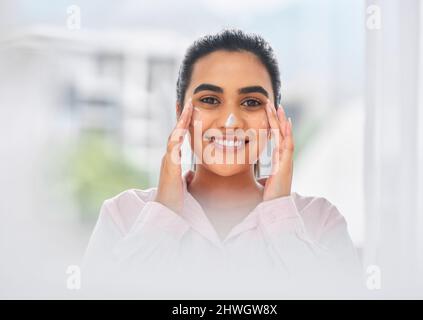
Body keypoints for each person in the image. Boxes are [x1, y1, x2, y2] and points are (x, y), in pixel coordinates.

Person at [82, 29, 362, 298]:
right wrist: (164, 212)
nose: (231, 121)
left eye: (251, 102)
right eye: (210, 100)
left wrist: (280, 212)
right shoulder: (122, 216)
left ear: (274, 118)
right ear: (181, 112)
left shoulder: (321, 222)